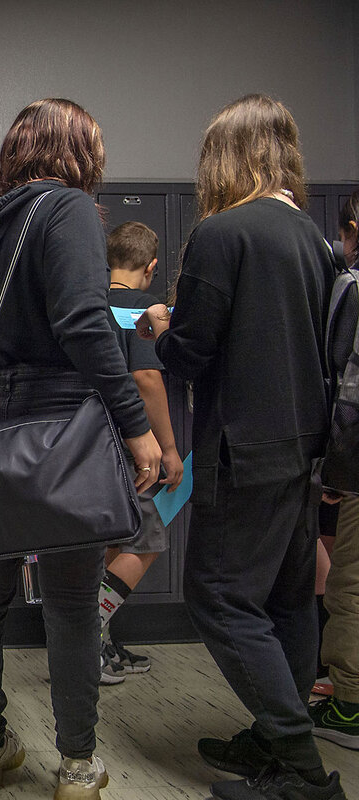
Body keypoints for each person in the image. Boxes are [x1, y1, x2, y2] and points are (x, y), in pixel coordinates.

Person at [0, 99, 162, 798]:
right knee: (71, 603)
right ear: (77, 153)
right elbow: (81, 321)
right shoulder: (67, 210)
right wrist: (138, 429)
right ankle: (76, 766)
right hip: (61, 422)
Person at [137, 95, 343, 800]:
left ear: (223, 158)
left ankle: (303, 772)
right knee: (287, 601)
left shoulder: (221, 234)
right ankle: (271, 739)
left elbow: (191, 354)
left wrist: (161, 325)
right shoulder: (312, 236)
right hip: (303, 451)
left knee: (220, 597)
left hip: (243, 451)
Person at [98, 221, 184, 684]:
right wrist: (169, 449)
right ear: (151, 268)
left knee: (112, 544)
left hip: (91, 445)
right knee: (147, 541)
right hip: (134, 448)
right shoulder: (140, 307)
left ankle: (103, 643)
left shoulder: (91, 305)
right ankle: (88, 634)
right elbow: (147, 379)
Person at [311, 188, 359, 752]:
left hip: (356, 462)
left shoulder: (350, 286)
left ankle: (348, 705)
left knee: (348, 587)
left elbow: (343, 385)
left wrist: (333, 474)